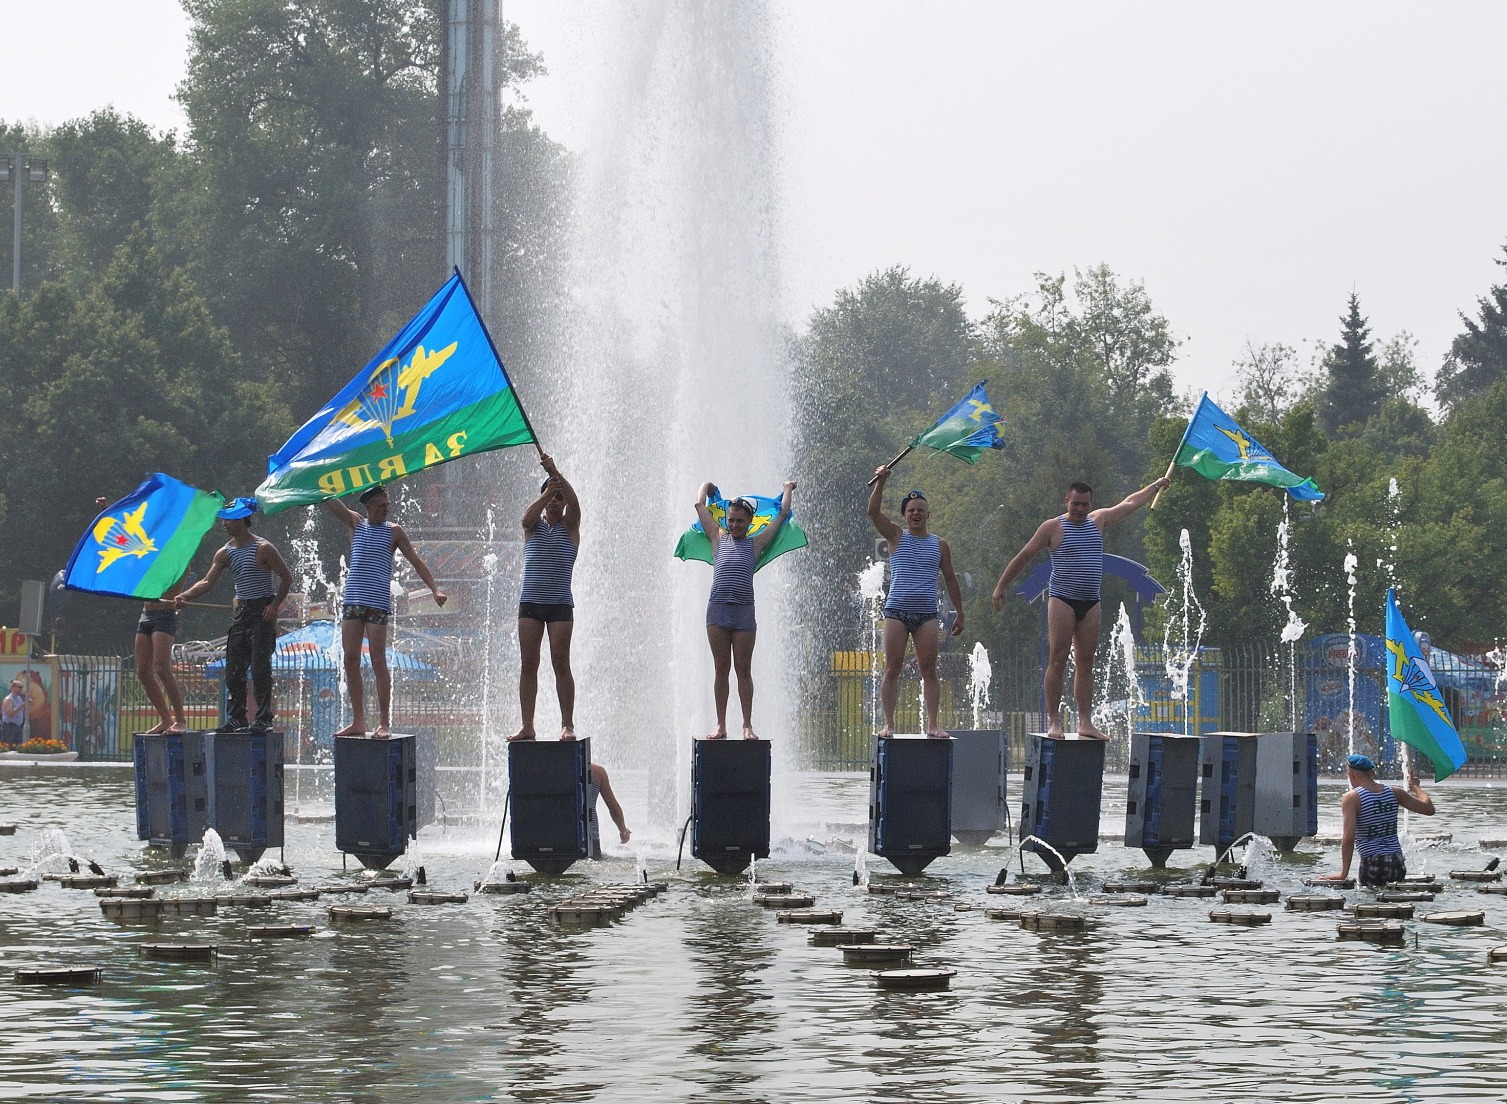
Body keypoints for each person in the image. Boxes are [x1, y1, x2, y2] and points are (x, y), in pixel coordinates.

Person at [990, 477, 1169, 739]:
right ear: (1066, 501)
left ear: (1090, 504)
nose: (1080, 509)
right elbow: (1025, 555)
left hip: (1091, 602)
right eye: (1075, 504)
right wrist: (1001, 585)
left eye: (1085, 504)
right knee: (1058, 659)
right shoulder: (1052, 527)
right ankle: (1054, 721)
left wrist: (1155, 486)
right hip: (1062, 600)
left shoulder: (1098, 521)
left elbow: (1129, 503)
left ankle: (1085, 721)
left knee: (1086, 662)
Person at [322, 484, 447, 738]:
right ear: (367, 507)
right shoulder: (357, 523)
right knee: (350, 659)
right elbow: (331, 502)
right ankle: (358, 721)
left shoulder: (394, 532)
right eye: (381, 506)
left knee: (378, 660)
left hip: (377, 602)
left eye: (387, 506)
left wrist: (435, 589)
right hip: (353, 601)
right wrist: (316, 482)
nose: (385, 510)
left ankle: (383, 723)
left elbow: (416, 561)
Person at [175, 497, 292, 733]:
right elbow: (207, 581)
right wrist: (186, 595)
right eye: (223, 520)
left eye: (228, 520)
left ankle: (264, 718)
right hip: (241, 613)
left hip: (262, 611)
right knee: (234, 669)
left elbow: (287, 577)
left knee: (260, 668)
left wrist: (275, 605)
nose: (223, 524)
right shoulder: (225, 553)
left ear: (241, 520)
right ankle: (238, 717)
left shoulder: (263, 548)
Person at [868, 467, 964, 739]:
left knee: (929, 669)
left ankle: (932, 724)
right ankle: (889, 724)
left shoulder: (940, 544)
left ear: (928, 514)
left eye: (921, 510)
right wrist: (881, 482)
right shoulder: (896, 535)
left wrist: (960, 612)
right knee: (892, 667)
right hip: (896, 611)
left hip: (927, 615)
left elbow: (950, 579)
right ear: (905, 515)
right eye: (911, 510)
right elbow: (873, 513)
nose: (916, 514)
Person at [696, 478, 796, 740]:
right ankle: (720, 725)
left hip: (743, 613)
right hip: (717, 612)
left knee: (743, 669)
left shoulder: (757, 544)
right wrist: (707, 486)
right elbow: (699, 505)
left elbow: (783, 513)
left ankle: (747, 725)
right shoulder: (717, 538)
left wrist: (787, 488)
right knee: (721, 669)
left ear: (749, 522)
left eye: (740, 521)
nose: (735, 525)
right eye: (731, 520)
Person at [509, 454, 581, 742]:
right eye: (550, 496)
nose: (555, 501)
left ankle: (567, 725)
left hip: (560, 604)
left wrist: (556, 475)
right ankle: (528, 725)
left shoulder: (570, 527)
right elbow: (525, 517)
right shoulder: (533, 526)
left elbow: (576, 504)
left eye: (558, 497)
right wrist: (548, 490)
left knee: (560, 661)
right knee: (529, 662)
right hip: (531, 604)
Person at [1316, 753, 1435, 887]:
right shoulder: (1395, 792)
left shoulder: (1352, 797)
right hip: (1397, 861)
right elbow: (1429, 809)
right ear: (1372, 773)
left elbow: (1348, 838)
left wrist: (1343, 873)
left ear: (1351, 774)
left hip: (1372, 862)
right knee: (1393, 903)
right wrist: (1415, 787)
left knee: (1370, 904)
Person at [136, 569, 194, 734]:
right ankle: (166, 719)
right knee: (143, 672)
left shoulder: (176, 558)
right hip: (146, 614)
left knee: (161, 668)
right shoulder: (151, 559)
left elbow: (185, 567)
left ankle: (180, 720)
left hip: (164, 614)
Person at [588, 762, 631, 857]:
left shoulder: (550, 767)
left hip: (554, 837)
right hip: (590, 837)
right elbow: (613, 808)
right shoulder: (598, 772)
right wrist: (623, 830)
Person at [0, 680, 24, 746]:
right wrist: (21, 705)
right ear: (13, 687)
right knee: (7, 747)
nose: (21, 689)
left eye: (22, 687)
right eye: (19, 687)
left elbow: (21, 711)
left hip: (18, 727)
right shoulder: (8, 699)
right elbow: (10, 714)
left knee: (18, 748)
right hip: (9, 727)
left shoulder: (19, 698)